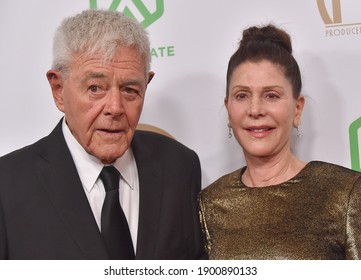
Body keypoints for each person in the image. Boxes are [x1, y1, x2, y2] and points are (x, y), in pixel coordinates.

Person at [0, 9, 205, 260]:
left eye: (130, 89)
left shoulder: (180, 167)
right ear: (59, 89)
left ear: (146, 85)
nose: (115, 108)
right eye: (95, 88)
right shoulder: (7, 185)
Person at [198, 24, 361, 259]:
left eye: (271, 96)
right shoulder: (209, 204)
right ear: (228, 109)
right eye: (242, 96)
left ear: (297, 109)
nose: (255, 109)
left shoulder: (345, 193)